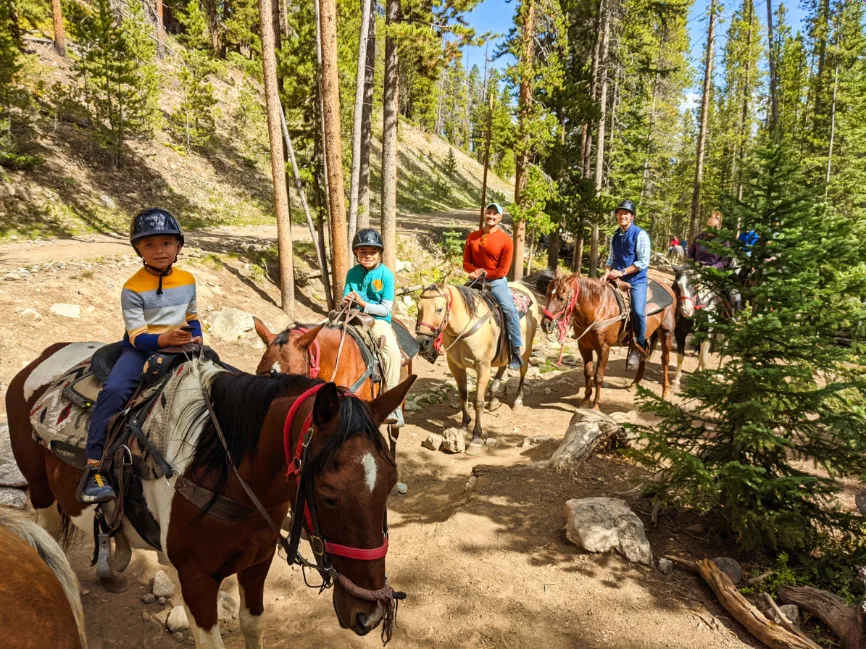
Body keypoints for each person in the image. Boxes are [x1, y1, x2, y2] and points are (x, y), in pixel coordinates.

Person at [82, 208, 202, 503]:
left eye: (166, 243)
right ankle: (94, 467)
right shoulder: (132, 288)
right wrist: (165, 339)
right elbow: (137, 335)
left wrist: (197, 334)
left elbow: (192, 315)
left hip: (182, 344)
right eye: (149, 244)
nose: (159, 250)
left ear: (178, 246)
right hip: (142, 349)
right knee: (113, 391)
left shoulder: (187, 279)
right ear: (138, 249)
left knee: (228, 379)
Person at [342, 228, 404, 427]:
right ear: (356, 254)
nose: (367, 255)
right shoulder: (352, 273)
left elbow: (386, 309)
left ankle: (392, 402)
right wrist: (347, 302)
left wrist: (362, 303)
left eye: (372, 252)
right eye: (363, 252)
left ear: (379, 254)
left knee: (392, 352)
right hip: (352, 317)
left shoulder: (386, 275)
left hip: (377, 320)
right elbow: (345, 299)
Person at [463, 203, 523, 371]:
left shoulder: (506, 240)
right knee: (453, 302)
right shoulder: (472, 236)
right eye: (488, 212)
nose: (491, 216)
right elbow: (466, 262)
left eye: (494, 214)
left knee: (509, 309)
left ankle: (516, 351)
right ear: (485, 214)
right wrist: (475, 271)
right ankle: (440, 344)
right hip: (475, 280)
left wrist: (484, 273)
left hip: (495, 282)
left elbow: (503, 270)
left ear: (500, 218)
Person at [603, 199, 650, 370]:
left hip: (636, 280)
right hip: (616, 278)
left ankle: (639, 347)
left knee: (637, 311)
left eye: (626, 214)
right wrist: (607, 272)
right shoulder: (615, 236)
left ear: (632, 217)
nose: (622, 216)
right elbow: (609, 259)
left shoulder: (640, 234)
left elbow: (643, 261)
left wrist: (621, 272)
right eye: (620, 213)